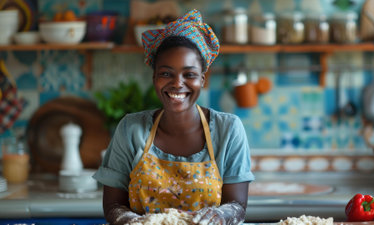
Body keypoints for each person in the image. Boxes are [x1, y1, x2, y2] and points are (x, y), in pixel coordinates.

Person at [93, 9, 254, 225]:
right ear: (154, 78)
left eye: (189, 74)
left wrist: (221, 215)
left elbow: (236, 206)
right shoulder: (130, 129)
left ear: (202, 80)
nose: (178, 83)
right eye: (166, 73)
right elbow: (113, 206)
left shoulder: (229, 129)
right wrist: (132, 221)